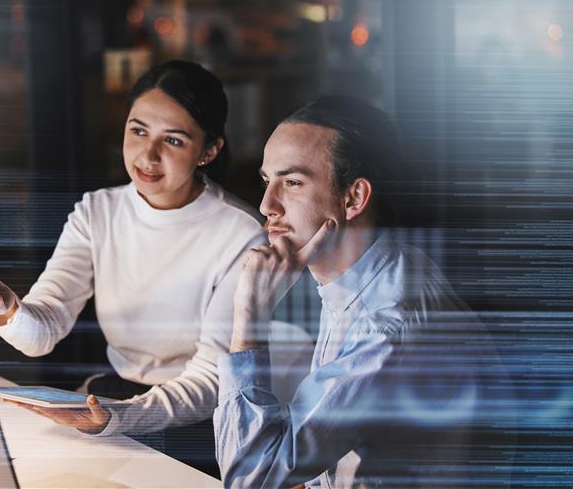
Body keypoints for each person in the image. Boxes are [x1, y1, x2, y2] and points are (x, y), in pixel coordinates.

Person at [0, 60, 264, 476]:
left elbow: (211, 381)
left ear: (208, 151)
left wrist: (119, 419)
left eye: (173, 140)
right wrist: (8, 310)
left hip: (203, 422)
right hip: (115, 398)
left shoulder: (242, 235)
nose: (148, 155)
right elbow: (43, 329)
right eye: (138, 131)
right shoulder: (97, 211)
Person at [214, 96, 507, 488]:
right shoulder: (379, 266)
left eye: (293, 183)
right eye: (267, 182)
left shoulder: (383, 325)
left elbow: (252, 479)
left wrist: (248, 321)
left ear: (353, 198)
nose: (267, 205)